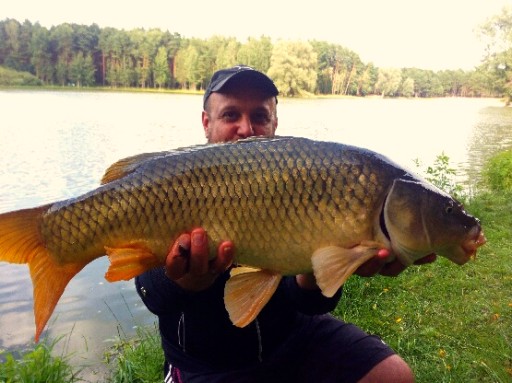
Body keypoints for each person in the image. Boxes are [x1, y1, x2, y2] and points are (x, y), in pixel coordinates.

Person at [135, 65, 436, 383]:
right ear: (206, 123)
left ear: (275, 124)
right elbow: (151, 293)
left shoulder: (297, 180)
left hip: (292, 341)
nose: (246, 129)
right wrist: (185, 282)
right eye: (231, 115)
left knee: (392, 375)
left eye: (260, 117)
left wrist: (314, 273)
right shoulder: (176, 184)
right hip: (206, 363)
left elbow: (307, 301)